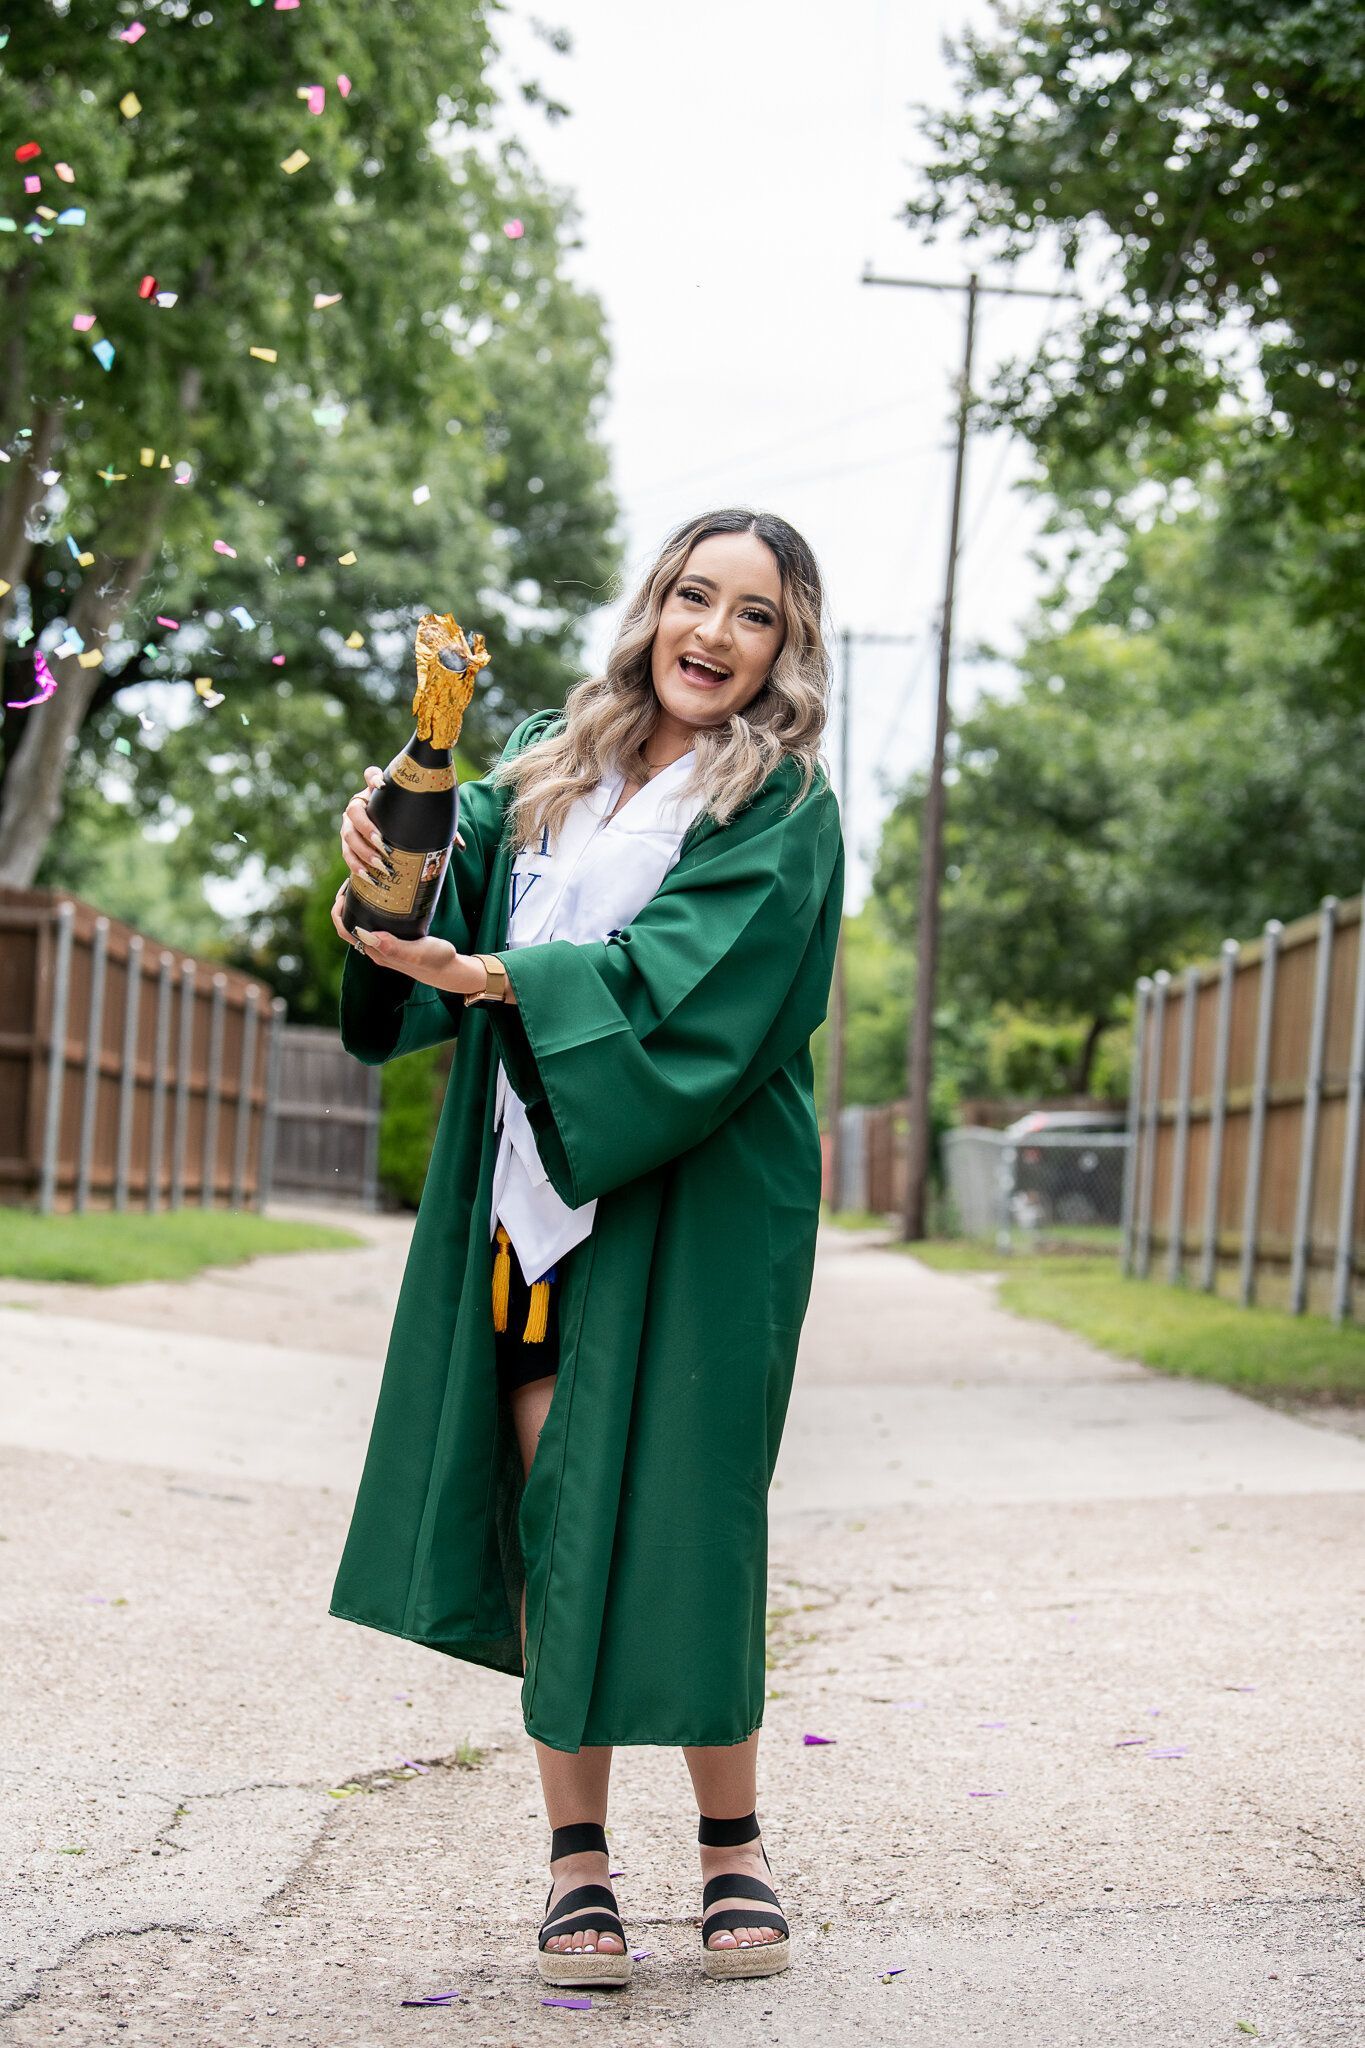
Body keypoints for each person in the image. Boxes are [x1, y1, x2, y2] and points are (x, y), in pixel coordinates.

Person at [328, 507, 844, 1987]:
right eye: (695, 596)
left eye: (753, 615)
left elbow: (691, 988)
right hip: (527, 1196)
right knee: (558, 1509)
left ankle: (732, 1842)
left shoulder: (777, 802)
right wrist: (389, 849)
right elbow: (429, 893)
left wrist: (490, 972)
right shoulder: (553, 762)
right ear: (654, 604)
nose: (713, 634)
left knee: (688, 1510)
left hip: (697, 1198)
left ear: (783, 648)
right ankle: (577, 1869)